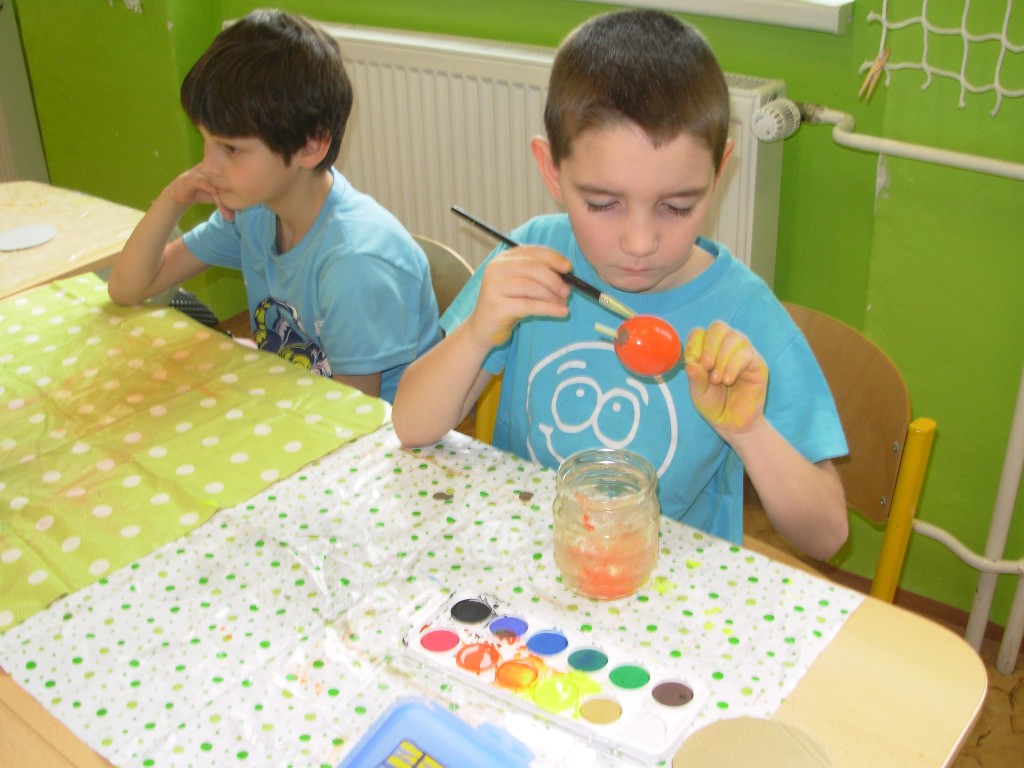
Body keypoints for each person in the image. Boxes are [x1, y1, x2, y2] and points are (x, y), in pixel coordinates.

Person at [392, 9, 848, 560]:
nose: (639, 242)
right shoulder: (534, 258)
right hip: (530, 561)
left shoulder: (744, 312)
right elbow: (411, 426)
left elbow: (827, 536)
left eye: (676, 206)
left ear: (718, 173)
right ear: (552, 170)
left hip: (663, 582)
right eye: (603, 203)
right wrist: (476, 334)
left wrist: (749, 431)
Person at [107, 9, 441, 403]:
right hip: (305, 405)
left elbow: (354, 414)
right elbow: (128, 288)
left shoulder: (354, 262)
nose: (208, 165)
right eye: (206, 140)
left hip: (377, 431)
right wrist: (172, 200)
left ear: (310, 145)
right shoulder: (255, 212)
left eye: (232, 148)